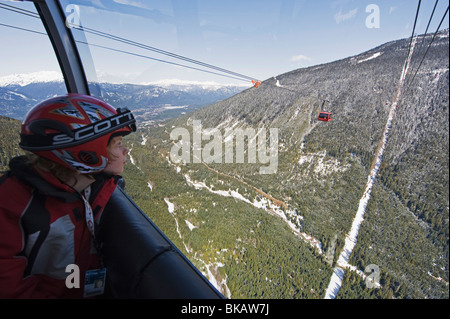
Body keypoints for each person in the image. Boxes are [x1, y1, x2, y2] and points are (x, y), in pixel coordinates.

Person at [0, 93, 136, 298]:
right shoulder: (11, 204)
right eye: (117, 143)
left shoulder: (85, 185)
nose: (126, 150)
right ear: (86, 152)